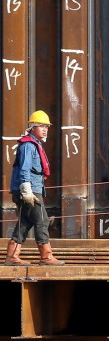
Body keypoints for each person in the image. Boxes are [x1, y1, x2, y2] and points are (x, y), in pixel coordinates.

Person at [5, 111, 63, 266]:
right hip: (28, 190)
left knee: (25, 221)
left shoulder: (35, 145)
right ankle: (46, 256)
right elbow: (24, 169)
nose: (45, 129)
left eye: (47, 126)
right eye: (41, 126)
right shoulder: (28, 146)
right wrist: (26, 190)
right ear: (32, 127)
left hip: (32, 189)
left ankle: (12, 256)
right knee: (41, 220)